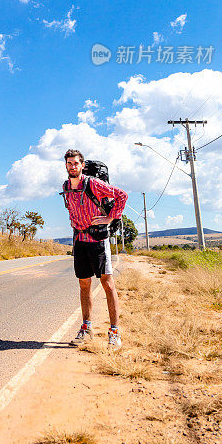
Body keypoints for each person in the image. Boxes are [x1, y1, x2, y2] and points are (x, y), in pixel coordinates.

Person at [62, 148, 128, 349]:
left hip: (98, 240)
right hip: (79, 240)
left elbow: (122, 195)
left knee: (108, 284)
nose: (73, 166)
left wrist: (111, 217)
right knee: (84, 285)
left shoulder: (93, 184)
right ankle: (86, 329)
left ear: (82, 165)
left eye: (76, 163)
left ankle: (114, 333)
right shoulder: (66, 186)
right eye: (69, 163)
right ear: (65, 166)